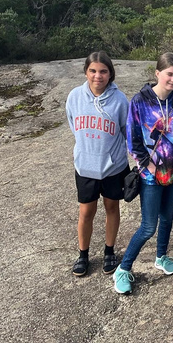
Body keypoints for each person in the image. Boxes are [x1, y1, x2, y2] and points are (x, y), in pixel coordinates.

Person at [113, 53, 173, 295]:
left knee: (167, 218)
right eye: (169, 74)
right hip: (150, 175)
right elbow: (133, 138)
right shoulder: (139, 101)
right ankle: (123, 268)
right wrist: (147, 165)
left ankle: (161, 257)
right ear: (157, 73)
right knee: (148, 226)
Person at [66, 51, 130, 277]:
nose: (98, 76)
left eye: (103, 71)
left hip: (113, 167)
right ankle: (83, 254)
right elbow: (74, 125)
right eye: (93, 71)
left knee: (112, 207)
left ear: (110, 74)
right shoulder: (74, 96)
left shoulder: (120, 99)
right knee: (86, 211)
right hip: (86, 166)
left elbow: (126, 131)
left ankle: (109, 251)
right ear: (86, 72)